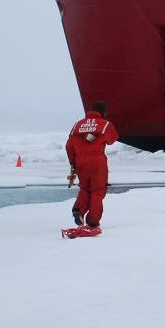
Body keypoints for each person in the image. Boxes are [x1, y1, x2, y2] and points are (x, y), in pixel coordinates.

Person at [65, 100, 119, 235]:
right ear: (103, 112)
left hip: (81, 163)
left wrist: (73, 164)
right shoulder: (105, 124)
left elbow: (69, 147)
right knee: (97, 191)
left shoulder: (77, 125)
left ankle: (78, 209)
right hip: (97, 163)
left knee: (85, 189)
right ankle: (93, 222)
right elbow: (113, 139)